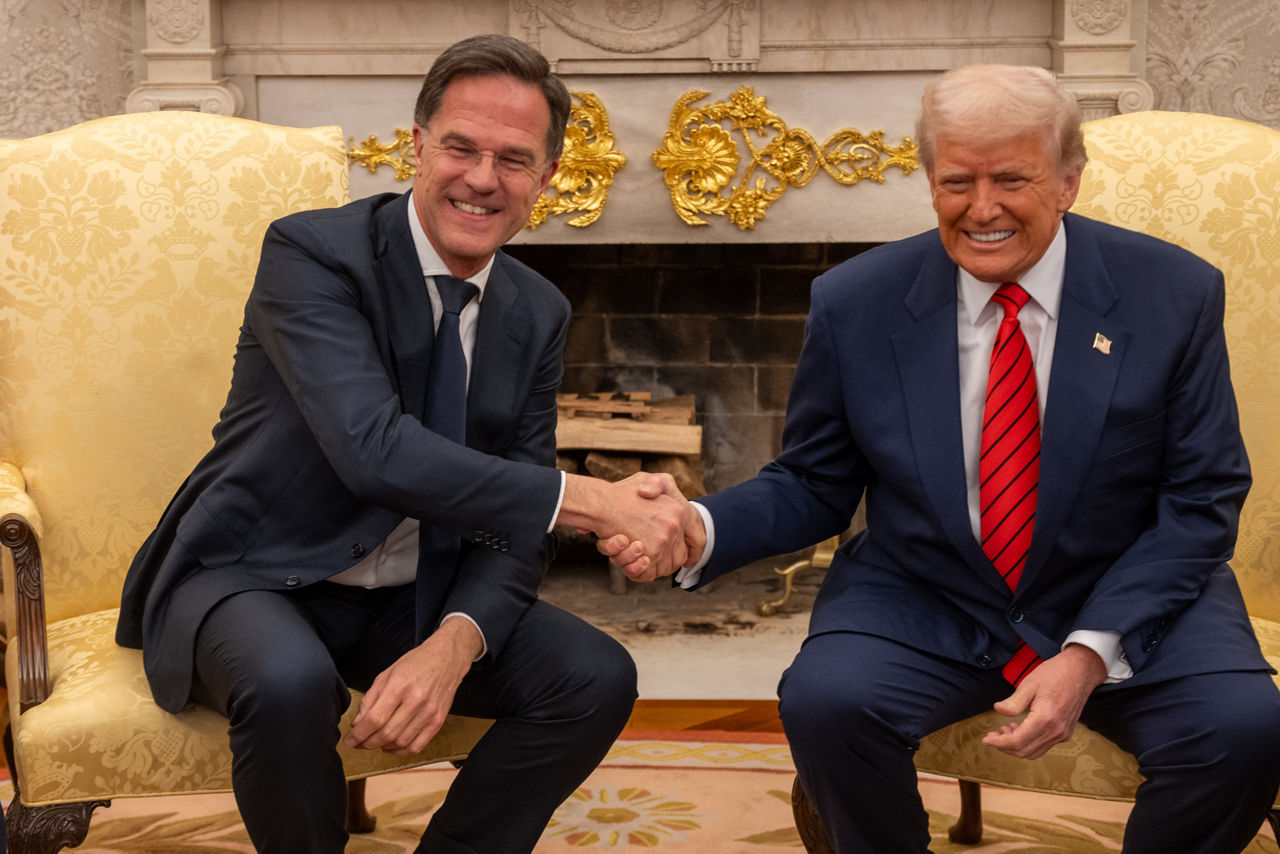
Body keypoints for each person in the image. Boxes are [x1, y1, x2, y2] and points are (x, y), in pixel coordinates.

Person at [604, 64, 1280, 851]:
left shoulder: (1172, 293)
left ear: (1068, 182)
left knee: (1241, 732)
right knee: (827, 704)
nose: (981, 208)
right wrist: (698, 524)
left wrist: (1092, 651)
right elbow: (814, 481)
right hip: (929, 590)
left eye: (1012, 179)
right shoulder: (857, 300)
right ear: (929, 179)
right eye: (957, 179)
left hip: (1125, 585)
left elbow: (1200, 498)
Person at [116, 34, 691, 854]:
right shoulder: (312, 254)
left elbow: (510, 521)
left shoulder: (537, 311)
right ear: (416, 146)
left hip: (410, 595)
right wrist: (592, 500)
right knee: (288, 682)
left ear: (549, 180)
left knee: (595, 677)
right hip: (258, 573)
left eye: (514, 159)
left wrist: (455, 644)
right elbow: (373, 449)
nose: (483, 179)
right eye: (460, 146)